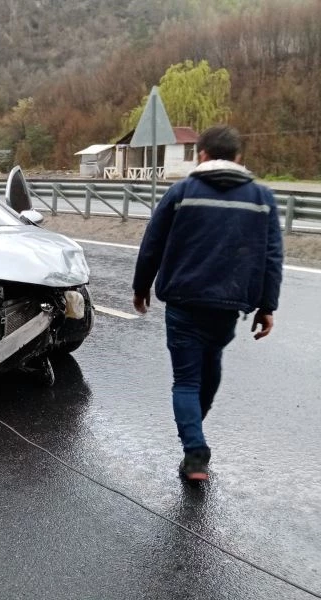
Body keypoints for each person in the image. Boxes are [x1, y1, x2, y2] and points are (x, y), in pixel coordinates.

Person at [131, 125, 283, 482]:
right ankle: (193, 438)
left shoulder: (182, 192)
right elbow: (272, 257)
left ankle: (194, 451)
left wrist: (141, 287)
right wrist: (267, 306)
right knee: (210, 366)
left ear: (201, 155)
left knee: (186, 379)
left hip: (184, 301)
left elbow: (152, 242)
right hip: (229, 304)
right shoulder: (261, 198)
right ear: (238, 157)